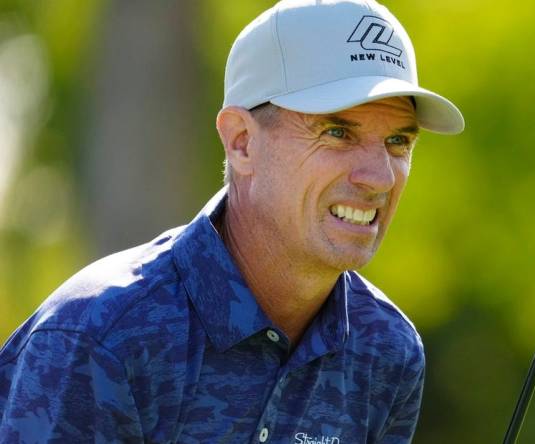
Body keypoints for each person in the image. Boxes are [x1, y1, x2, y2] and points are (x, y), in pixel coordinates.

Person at [0, 0, 463, 442]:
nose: (379, 177)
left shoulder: (387, 350)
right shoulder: (99, 338)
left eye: (399, 142)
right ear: (242, 142)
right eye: (338, 132)